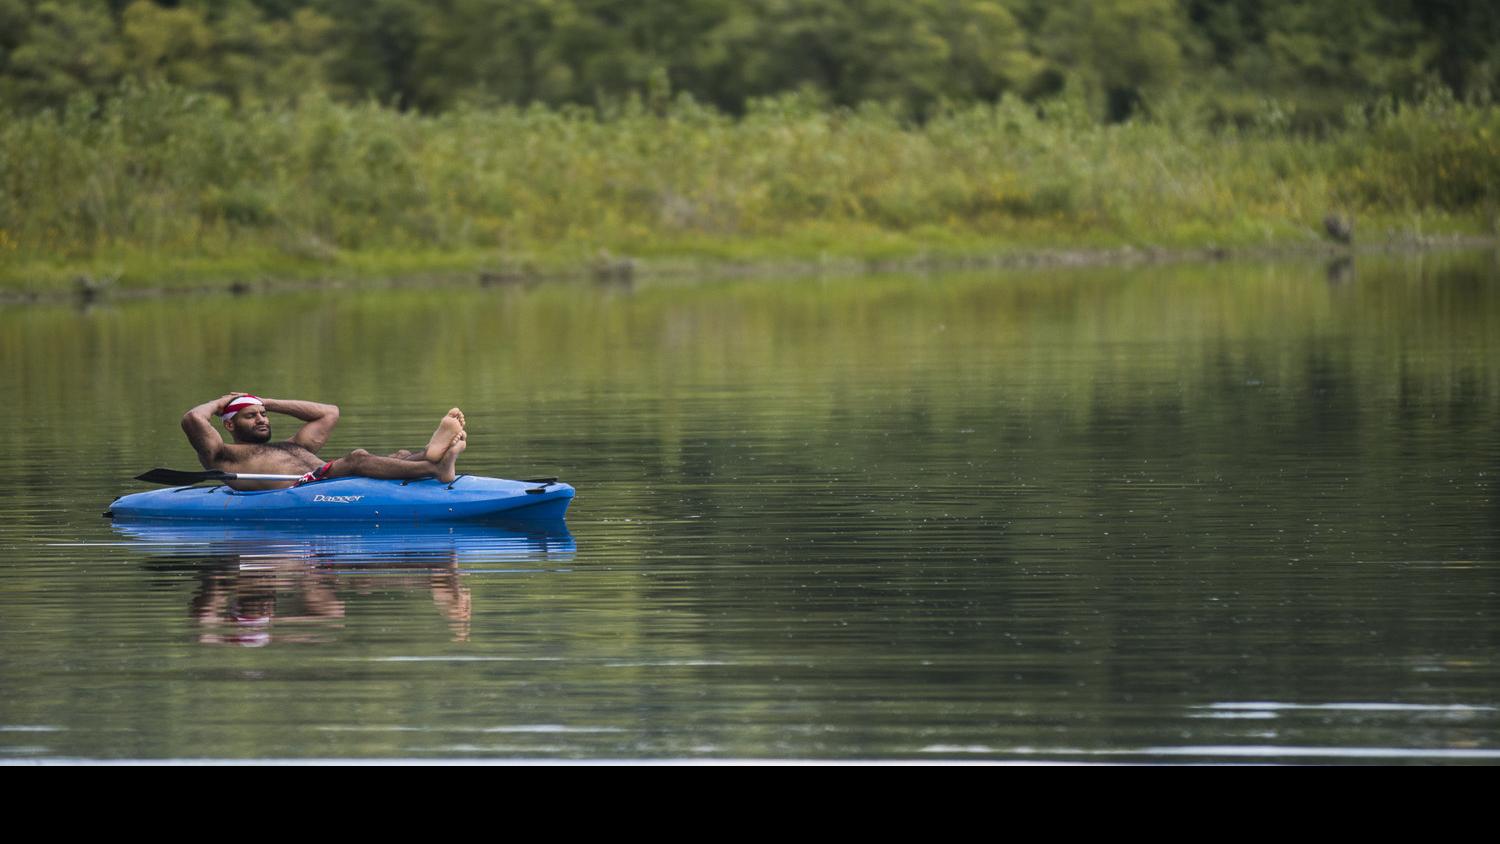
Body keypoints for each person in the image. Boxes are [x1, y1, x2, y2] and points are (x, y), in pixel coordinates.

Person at [182, 393, 467, 490]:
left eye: (263, 414)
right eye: (251, 415)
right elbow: (192, 420)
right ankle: (435, 468)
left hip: (326, 478)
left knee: (401, 453)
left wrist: (265, 400)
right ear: (229, 424)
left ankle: (432, 455)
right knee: (358, 458)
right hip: (307, 487)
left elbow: (329, 413)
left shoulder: (291, 444)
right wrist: (222, 402)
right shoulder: (223, 455)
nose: (262, 419)